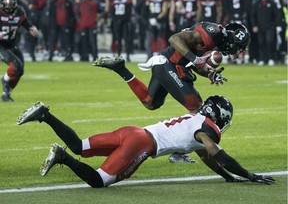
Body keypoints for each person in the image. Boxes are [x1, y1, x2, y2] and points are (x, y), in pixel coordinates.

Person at [16, 95, 275, 188]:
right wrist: (249, 174)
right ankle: (61, 156)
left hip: (133, 131)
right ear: (219, 117)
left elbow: (208, 157)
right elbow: (217, 153)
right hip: (142, 144)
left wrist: (228, 177)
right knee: (98, 181)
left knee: (81, 146)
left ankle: (45, 114)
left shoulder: (194, 120)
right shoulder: (207, 130)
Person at [93, 21, 250, 163]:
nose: (237, 52)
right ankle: (179, 152)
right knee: (197, 109)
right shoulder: (212, 33)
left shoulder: (217, 40)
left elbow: (195, 62)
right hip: (169, 64)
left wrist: (210, 73)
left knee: (150, 102)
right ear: (232, 39)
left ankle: (121, 69)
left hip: (169, 64)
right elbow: (175, 39)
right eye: (238, 47)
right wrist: (196, 60)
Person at [0, 0, 38, 101]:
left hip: (13, 44)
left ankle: (6, 94)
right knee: (16, 66)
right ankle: (5, 80)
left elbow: (25, 22)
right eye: (6, 3)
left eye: (11, 2)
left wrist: (31, 28)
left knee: (20, 71)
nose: (9, 5)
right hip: (1, 45)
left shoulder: (19, 11)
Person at [250, 0, 280, 66]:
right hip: (260, 27)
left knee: (269, 42)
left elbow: (277, 15)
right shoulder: (256, 4)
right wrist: (254, 25)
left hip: (270, 26)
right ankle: (262, 59)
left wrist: (277, 25)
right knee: (261, 43)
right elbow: (253, 16)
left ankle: (271, 58)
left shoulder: (272, 3)